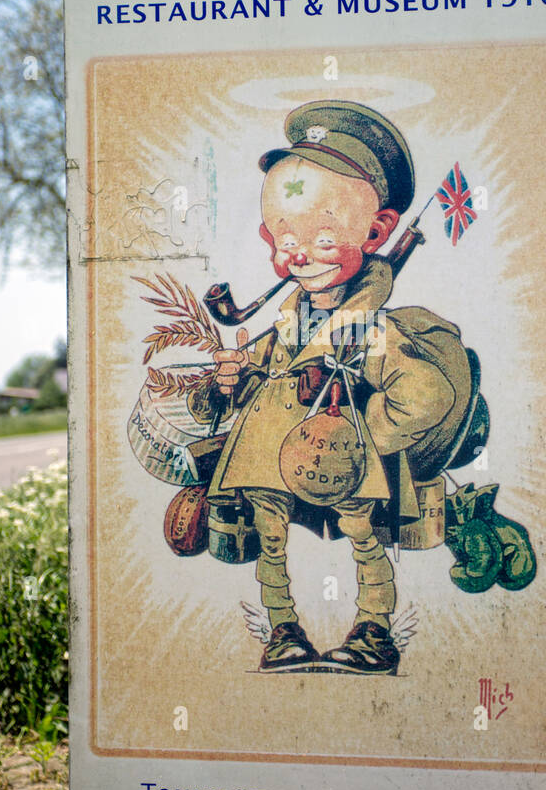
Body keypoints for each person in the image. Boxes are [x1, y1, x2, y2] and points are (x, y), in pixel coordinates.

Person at [189, 101, 466, 674]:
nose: (297, 254)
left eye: (323, 235)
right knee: (270, 533)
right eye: (285, 235)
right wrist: (233, 378)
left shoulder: (374, 328)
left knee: (363, 534)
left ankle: (372, 630)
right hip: (269, 455)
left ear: (377, 230)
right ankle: (282, 629)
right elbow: (254, 381)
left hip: (340, 455)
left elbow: (428, 396)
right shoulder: (286, 320)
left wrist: (366, 435)